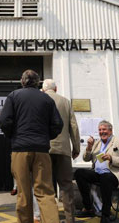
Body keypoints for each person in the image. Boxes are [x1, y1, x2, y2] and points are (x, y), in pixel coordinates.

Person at [0, 69, 63, 223]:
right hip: (41, 150)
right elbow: (57, 124)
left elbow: (4, 121)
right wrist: (46, 137)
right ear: (38, 82)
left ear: (22, 81)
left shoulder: (13, 96)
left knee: (23, 192)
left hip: (20, 149)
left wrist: (12, 136)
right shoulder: (47, 99)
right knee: (45, 192)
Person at [74, 120, 119, 223]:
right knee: (79, 173)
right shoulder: (97, 143)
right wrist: (89, 147)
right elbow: (86, 159)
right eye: (100, 130)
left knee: (106, 177)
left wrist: (111, 158)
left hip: (114, 175)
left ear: (110, 130)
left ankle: (105, 214)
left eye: (104, 129)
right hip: (97, 173)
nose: (102, 132)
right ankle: (88, 208)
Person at [42, 79, 80, 223]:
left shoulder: (41, 100)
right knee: (66, 186)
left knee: (45, 186)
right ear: (56, 89)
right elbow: (73, 126)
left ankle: (50, 218)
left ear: (43, 90)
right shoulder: (65, 102)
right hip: (63, 149)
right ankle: (70, 219)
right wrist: (76, 147)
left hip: (44, 149)